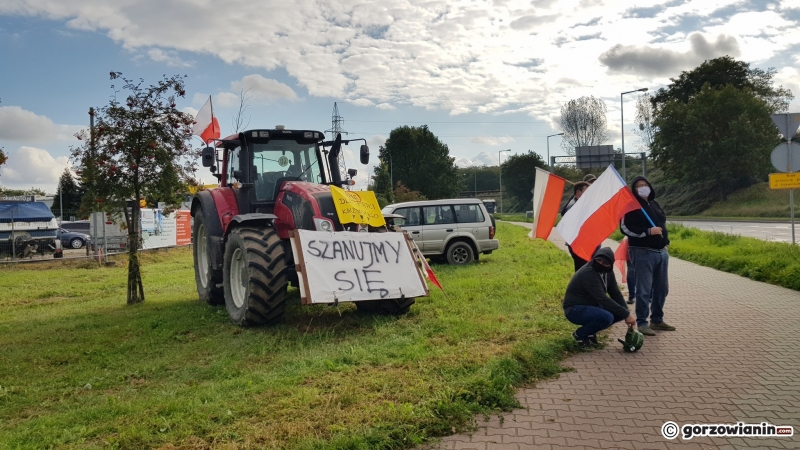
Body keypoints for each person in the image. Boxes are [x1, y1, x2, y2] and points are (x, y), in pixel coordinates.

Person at [621, 176, 674, 336]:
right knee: (644, 290)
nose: (643, 188)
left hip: (661, 252)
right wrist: (646, 232)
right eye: (639, 186)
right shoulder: (630, 206)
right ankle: (642, 322)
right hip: (642, 252)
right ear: (634, 190)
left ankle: (657, 320)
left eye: (645, 185)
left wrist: (665, 242)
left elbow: (662, 225)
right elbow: (625, 228)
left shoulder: (654, 204)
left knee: (661, 289)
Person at [563, 247, 636, 346]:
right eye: (599, 260)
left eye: (604, 263)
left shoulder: (608, 272)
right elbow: (602, 298)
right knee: (607, 317)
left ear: (610, 265)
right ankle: (579, 334)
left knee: (619, 313)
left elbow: (615, 293)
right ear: (594, 258)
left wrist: (626, 312)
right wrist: (627, 314)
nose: (600, 264)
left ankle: (590, 333)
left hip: (591, 306)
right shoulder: (587, 273)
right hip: (574, 309)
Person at [561, 181, 591, 271]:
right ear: (578, 192)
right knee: (582, 269)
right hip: (577, 243)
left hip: (580, 242)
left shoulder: (577, 203)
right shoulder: (574, 206)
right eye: (587, 191)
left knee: (583, 269)